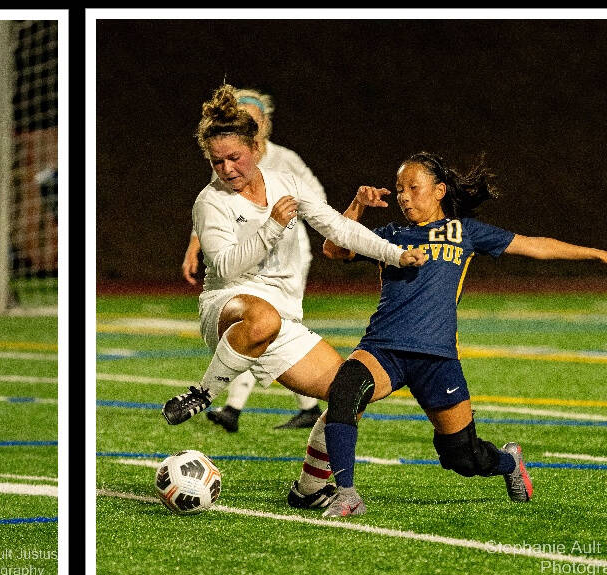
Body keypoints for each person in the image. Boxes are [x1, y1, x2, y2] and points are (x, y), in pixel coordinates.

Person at [301, 151, 607, 517]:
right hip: (383, 349)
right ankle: (347, 494)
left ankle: (508, 463)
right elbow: (335, 247)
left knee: (462, 456)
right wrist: (357, 205)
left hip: (437, 358)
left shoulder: (464, 232)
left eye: (414, 187)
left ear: (440, 190)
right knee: (346, 390)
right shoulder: (390, 235)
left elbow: (534, 245)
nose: (404, 196)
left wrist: (596, 254)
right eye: (400, 189)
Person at [161, 85, 427, 493]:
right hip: (227, 308)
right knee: (261, 316)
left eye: (235, 157)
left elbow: (337, 227)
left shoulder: (284, 179)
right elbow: (227, 266)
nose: (227, 169)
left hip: (281, 318)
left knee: (349, 395)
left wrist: (394, 254)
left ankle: (307, 490)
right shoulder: (209, 202)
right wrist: (271, 228)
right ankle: (204, 391)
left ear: (255, 146)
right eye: (217, 162)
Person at [181, 88, 323, 433]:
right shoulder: (230, 156)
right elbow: (213, 209)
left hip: (284, 260)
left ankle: (238, 405)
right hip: (242, 259)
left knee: (272, 327)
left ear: (264, 125)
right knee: (251, 324)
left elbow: (317, 200)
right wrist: (194, 245)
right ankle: (238, 407)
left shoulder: (283, 160)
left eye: (253, 119)